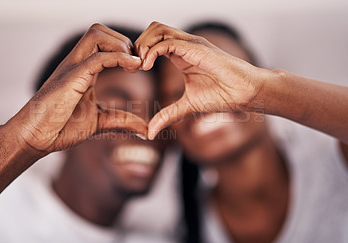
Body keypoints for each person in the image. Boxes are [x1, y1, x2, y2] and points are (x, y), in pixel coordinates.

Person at [0, 24, 170, 243]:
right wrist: (21, 141)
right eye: (120, 107)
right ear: (63, 115)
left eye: (160, 111)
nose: (148, 129)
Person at [148, 21, 348, 243]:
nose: (202, 102)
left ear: (263, 74)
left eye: (217, 79)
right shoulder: (178, 221)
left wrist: (263, 90)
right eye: (176, 93)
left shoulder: (332, 156)